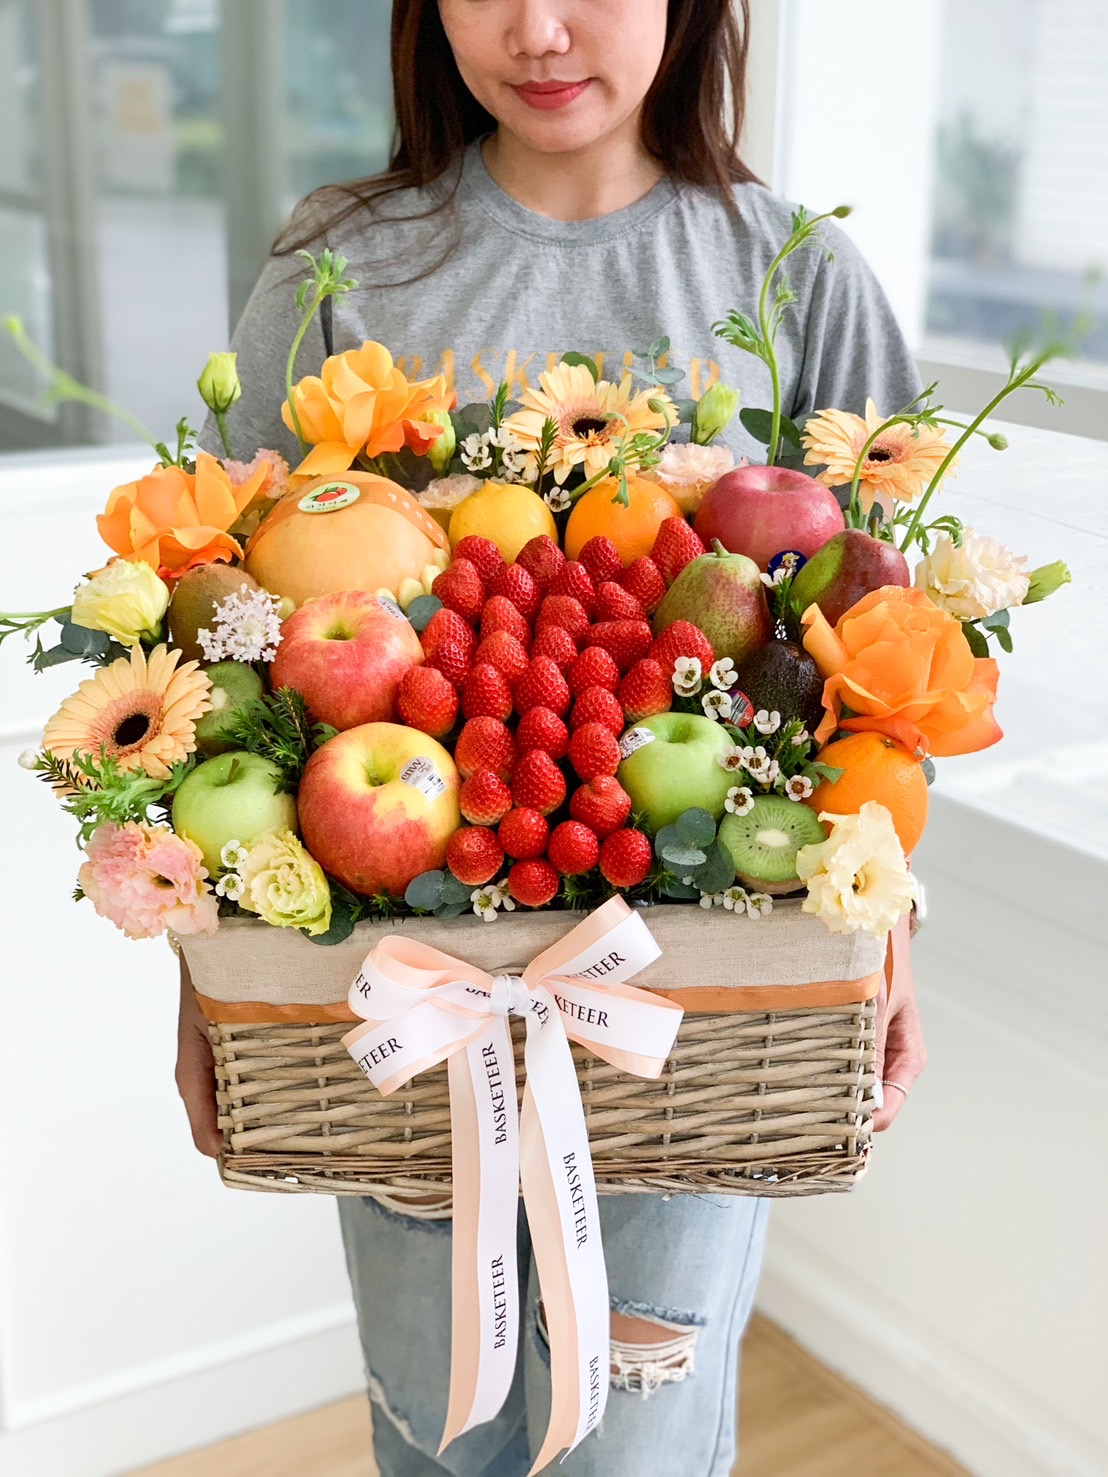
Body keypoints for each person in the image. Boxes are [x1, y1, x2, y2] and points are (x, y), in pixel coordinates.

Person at [177, 2, 928, 1472]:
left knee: (637, 1448)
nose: (536, 29)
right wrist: (212, 984)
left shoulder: (795, 274)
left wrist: (887, 937)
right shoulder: (341, 263)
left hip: (696, 1041)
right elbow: (218, 639)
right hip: (406, 1033)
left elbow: (896, 658)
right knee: (436, 1431)